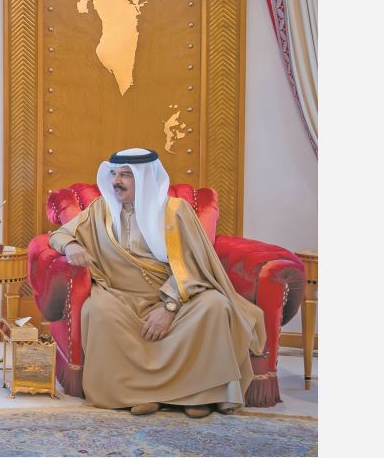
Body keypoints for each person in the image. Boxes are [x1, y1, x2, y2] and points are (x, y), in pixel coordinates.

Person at [49, 148, 266, 418]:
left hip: (176, 295)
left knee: (215, 306)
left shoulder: (175, 212)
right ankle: (140, 395)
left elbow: (194, 263)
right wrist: (70, 246)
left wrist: (170, 306)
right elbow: (58, 235)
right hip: (120, 295)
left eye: (126, 175)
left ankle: (199, 395)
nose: (116, 181)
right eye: (114, 173)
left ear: (146, 178)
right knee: (97, 311)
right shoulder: (100, 210)